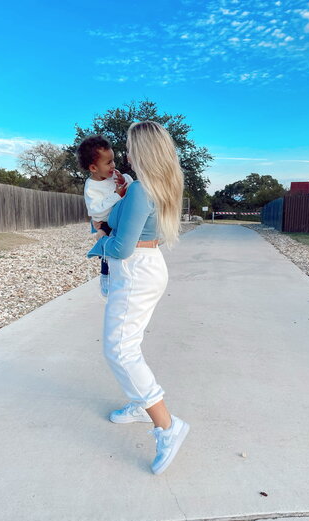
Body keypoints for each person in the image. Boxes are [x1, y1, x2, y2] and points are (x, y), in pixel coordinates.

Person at [87, 121, 190, 475]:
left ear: (143, 152)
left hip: (135, 271)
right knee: (129, 343)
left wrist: (99, 240)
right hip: (146, 267)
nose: (126, 155)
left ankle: (167, 426)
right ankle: (138, 402)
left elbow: (120, 245)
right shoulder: (156, 186)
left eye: (130, 148)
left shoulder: (141, 191)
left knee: (118, 348)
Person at [76, 135, 133, 297]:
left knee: (124, 249)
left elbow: (129, 185)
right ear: (94, 168)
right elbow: (96, 211)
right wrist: (116, 194)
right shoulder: (91, 187)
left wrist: (125, 180)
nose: (113, 165)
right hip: (105, 223)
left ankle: (124, 275)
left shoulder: (113, 175)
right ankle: (105, 276)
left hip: (120, 219)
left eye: (113, 160)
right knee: (107, 252)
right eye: (108, 162)